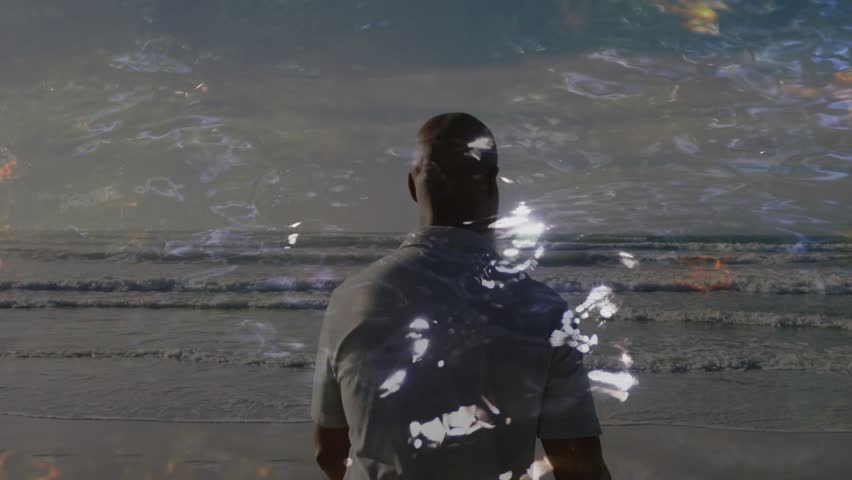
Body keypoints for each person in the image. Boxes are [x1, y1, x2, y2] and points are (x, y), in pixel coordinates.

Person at [311, 113, 611, 480]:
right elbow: (581, 467)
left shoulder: (350, 299)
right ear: (490, 182)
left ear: (411, 186)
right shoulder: (541, 310)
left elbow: (330, 453)